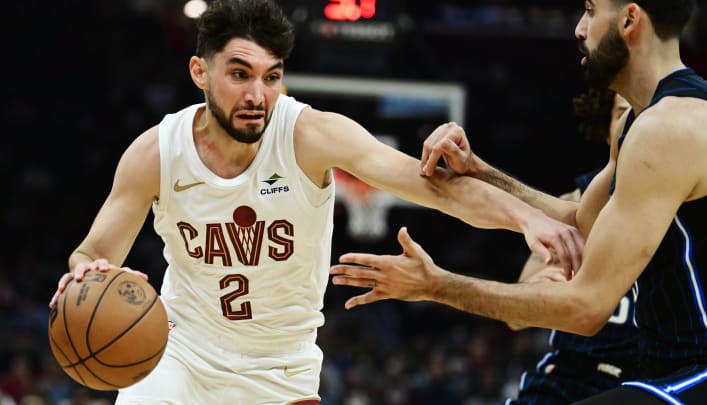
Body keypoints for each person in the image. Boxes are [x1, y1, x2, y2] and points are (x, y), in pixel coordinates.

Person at [47, 0, 584, 403]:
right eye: (239, 74)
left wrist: (526, 217)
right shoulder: (156, 153)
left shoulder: (310, 135)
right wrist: (88, 272)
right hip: (179, 356)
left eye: (271, 76)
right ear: (200, 73)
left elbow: (435, 188)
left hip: (280, 370)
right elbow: (92, 251)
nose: (258, 94)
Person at [331, 0, 707, 402]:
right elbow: (580, 220)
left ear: (629, 19)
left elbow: (586, 308)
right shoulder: (642, 120)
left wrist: (435, 286)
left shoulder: (669, 128)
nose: (579, 29)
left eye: (589, 10)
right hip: (672, 371)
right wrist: (481, 172)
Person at [507, 90, 639, 405]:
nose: (635, 123)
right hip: (572, 373)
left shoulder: (696, 209)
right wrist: (533, 292)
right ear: (608, 129)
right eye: (623, 113)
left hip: (651, 377)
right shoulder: (575, 204)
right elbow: (516, 318)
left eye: (645, 112)